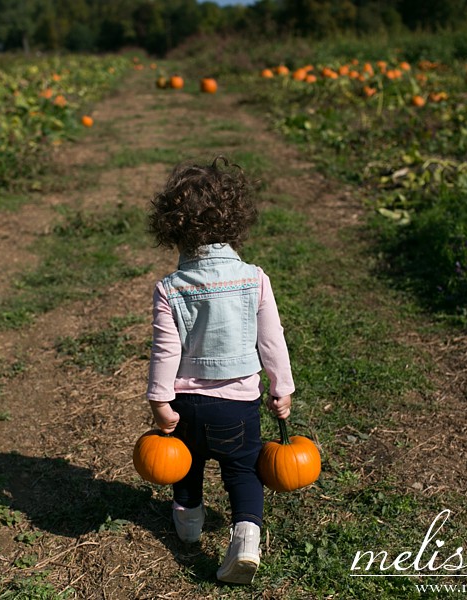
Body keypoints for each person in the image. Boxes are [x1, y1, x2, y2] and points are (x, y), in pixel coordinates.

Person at [146, 156, 294, 585]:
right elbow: (272, 339)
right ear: (234, 222)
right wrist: (280, 388)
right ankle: (246, 537)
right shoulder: (254, 278)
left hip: (187, 404)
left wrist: (160, 401)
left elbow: (164, 350)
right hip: (238, 406)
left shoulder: (169, 289)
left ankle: (189, 526)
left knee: (186, 465)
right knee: (243, 471)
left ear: (172, 228)